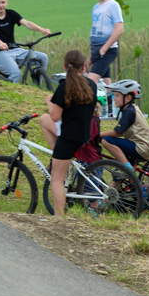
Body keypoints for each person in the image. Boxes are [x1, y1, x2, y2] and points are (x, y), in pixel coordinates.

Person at [46, 49, 98, 217]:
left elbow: (55, 116)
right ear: (84, 66)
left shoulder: (63, 87)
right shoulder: (92, 85)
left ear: (64, 66)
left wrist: (49, 103)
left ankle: (59, 217)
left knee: (56, 178)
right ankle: (59, 157)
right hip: (84, 135)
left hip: (68, 137)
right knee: (60, 169)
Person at [0, 0, 51, 83]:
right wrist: (0, 43)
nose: (0, 5)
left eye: (3, 2)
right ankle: (9, 94)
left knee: (43, 57)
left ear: (7, 2)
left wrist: (41, 29)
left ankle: (38, 84)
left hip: (16, 50)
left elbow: (26, 23)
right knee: (16, 73)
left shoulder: (11, 14)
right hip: (0, 52)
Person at [99, 80, 149, 167]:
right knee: (120, 173)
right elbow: (120, 133)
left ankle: (128, 169)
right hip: (140, 146)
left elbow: (117, 132)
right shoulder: (131, 108)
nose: (114, 98)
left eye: (117, 95)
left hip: (140, 148)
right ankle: (124, 176)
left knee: (106, 140)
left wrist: (97, 134)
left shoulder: (129, 111)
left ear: (128, 98)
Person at [88, 0, 124, 85]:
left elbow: (120, 30)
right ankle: (111, 100)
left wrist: (104, 48)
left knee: (91, 80)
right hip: (96, 50)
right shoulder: (95, 7)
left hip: (107, 51)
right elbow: (94, 31)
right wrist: (90, 57)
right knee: (107, 83)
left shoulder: (113, 5)